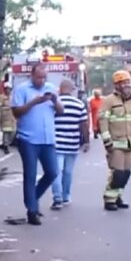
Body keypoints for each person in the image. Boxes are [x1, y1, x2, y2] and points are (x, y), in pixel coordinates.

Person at [11, 64, 64, 225]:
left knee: (52, 172)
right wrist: (34, 102)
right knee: (31, 174)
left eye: (44, 77)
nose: (41, 81)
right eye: (38, 77)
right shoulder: (22, 89)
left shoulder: (51, 88)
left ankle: (32, 198)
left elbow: (61, 111)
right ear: (32, 76)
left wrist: (54, 101)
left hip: (48, 140)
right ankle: (32, 211)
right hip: (28, 139)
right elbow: (16, 112)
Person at [98, 70, 131, 211]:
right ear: (117, 85)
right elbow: (103, 120)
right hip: (115, 144)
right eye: (124, 83)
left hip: (129, 143)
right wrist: (106, 140)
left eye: (128, 82)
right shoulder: (109, 101)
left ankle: (117, 196)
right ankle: (109, 199)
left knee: (126, 173)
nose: (127, 85)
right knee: (117, 172)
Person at [50, 78, 89, 210]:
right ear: (72, 90)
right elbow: (84, 124)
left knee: (56, 172)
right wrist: (87, 141)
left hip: (56, 143)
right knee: (68, 172)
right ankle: (66, 196)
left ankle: (57, 198)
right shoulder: (79, 104)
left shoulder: (55, 103)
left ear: (60, 89)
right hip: (72, 143)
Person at [0, 84, 17, 154]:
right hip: (5, 118)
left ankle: (6, 143)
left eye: (9, 89)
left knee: (13, 132)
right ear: (4, 90)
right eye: (6, 89)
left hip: (13, 118)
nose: (8, 90)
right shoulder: (1, 97)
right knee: (6, 132)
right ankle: (5, 146)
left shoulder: (14, 97)